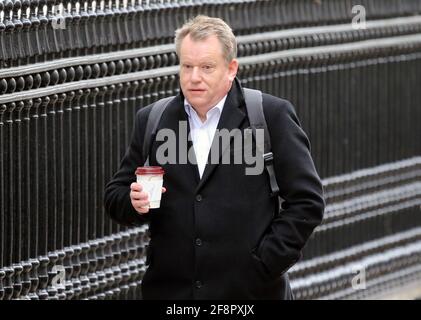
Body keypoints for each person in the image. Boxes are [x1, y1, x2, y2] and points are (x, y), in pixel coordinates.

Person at [104, 15, 325, 300]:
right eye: (187, 66)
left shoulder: (270, 115)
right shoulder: (153, 119)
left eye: (207, 67)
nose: (194, 77)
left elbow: (308, 201)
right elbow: (115, 196)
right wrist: (133, 202)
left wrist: (265, 262)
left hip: (250, 293)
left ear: (231, 69)